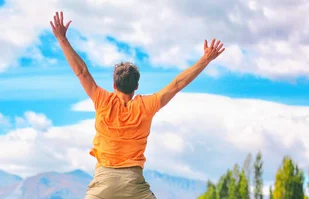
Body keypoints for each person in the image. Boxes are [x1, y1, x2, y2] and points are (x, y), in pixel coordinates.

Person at [50, 11, 226, 199]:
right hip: (134, 185)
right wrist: (205, 59)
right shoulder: (146, 106)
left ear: (114, 85)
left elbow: (82, 72)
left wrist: (62, 39)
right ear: (136, 87)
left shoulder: (102, 100)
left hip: (103, 184)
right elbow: (177, 84)